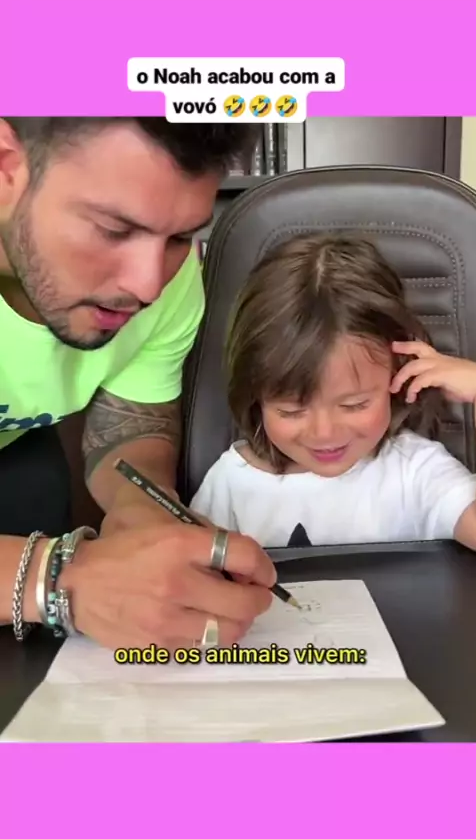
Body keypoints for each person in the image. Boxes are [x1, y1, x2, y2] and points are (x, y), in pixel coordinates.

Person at [0, 117, 276, 651]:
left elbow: (131, 429)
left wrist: (142, 509)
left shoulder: (170, 282)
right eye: (114, 230)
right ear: (6, 166)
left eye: (180, 237)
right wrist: (60, 580)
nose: (148, 285)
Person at [190, 234, 476, 551]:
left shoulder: (417, 472)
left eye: (355, 405)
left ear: (398, 371)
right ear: (255, 396)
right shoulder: (232, 484)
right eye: (291, 411)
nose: (324, 433)